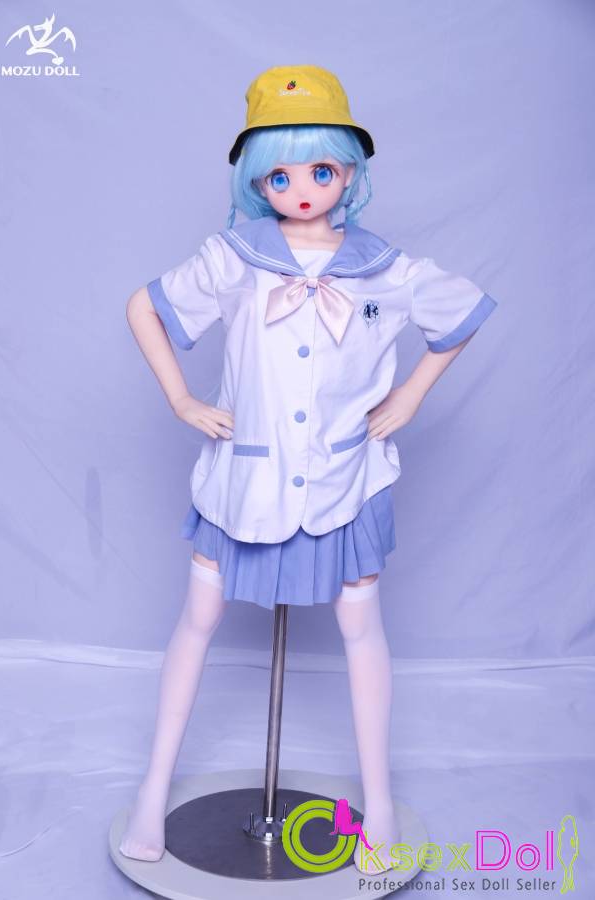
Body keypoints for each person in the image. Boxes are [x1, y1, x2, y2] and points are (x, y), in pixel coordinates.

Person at [119, 64, 497, 874]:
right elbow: (144, 307)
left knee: (362, 628)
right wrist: (182, 399)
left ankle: (380, 802)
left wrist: (410, 395)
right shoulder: (234, 258)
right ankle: (154, 789)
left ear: (350, 173)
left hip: (346, 482)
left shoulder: (384, 267)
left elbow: (461, 311)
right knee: (197, 618)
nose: (300, 189)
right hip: (243, 481)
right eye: (280, 175)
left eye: (321, 170)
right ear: (257, 180)